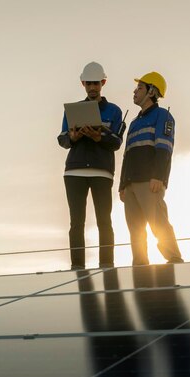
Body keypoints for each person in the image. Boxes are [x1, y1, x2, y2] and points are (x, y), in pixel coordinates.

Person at [57, 62, 123, 270]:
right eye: (88, 84)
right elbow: (62, 139)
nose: (92, 87)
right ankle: (77, 267)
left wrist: (99, 137)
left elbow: (116, 143)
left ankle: (107, 265)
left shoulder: (114, 111)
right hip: (74, 171)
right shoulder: (72, 111)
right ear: (83, 84)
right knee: (76, 223)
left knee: (105, 221)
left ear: (103, 83)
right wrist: (73, 136)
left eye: (96, 83)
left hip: (102, 171)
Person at [118, 71, 184, 265]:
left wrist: (158, 176)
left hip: (150, 182)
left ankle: (174, 258)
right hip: (130, 184)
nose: (135, 91)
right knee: (135, 229)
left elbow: (164, 149)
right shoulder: (134, 122)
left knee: (158, 222)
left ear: (152, 91)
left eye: (140, 87)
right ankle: (140, 264)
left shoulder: (163, 116)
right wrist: (122, 185)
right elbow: (127, 155)